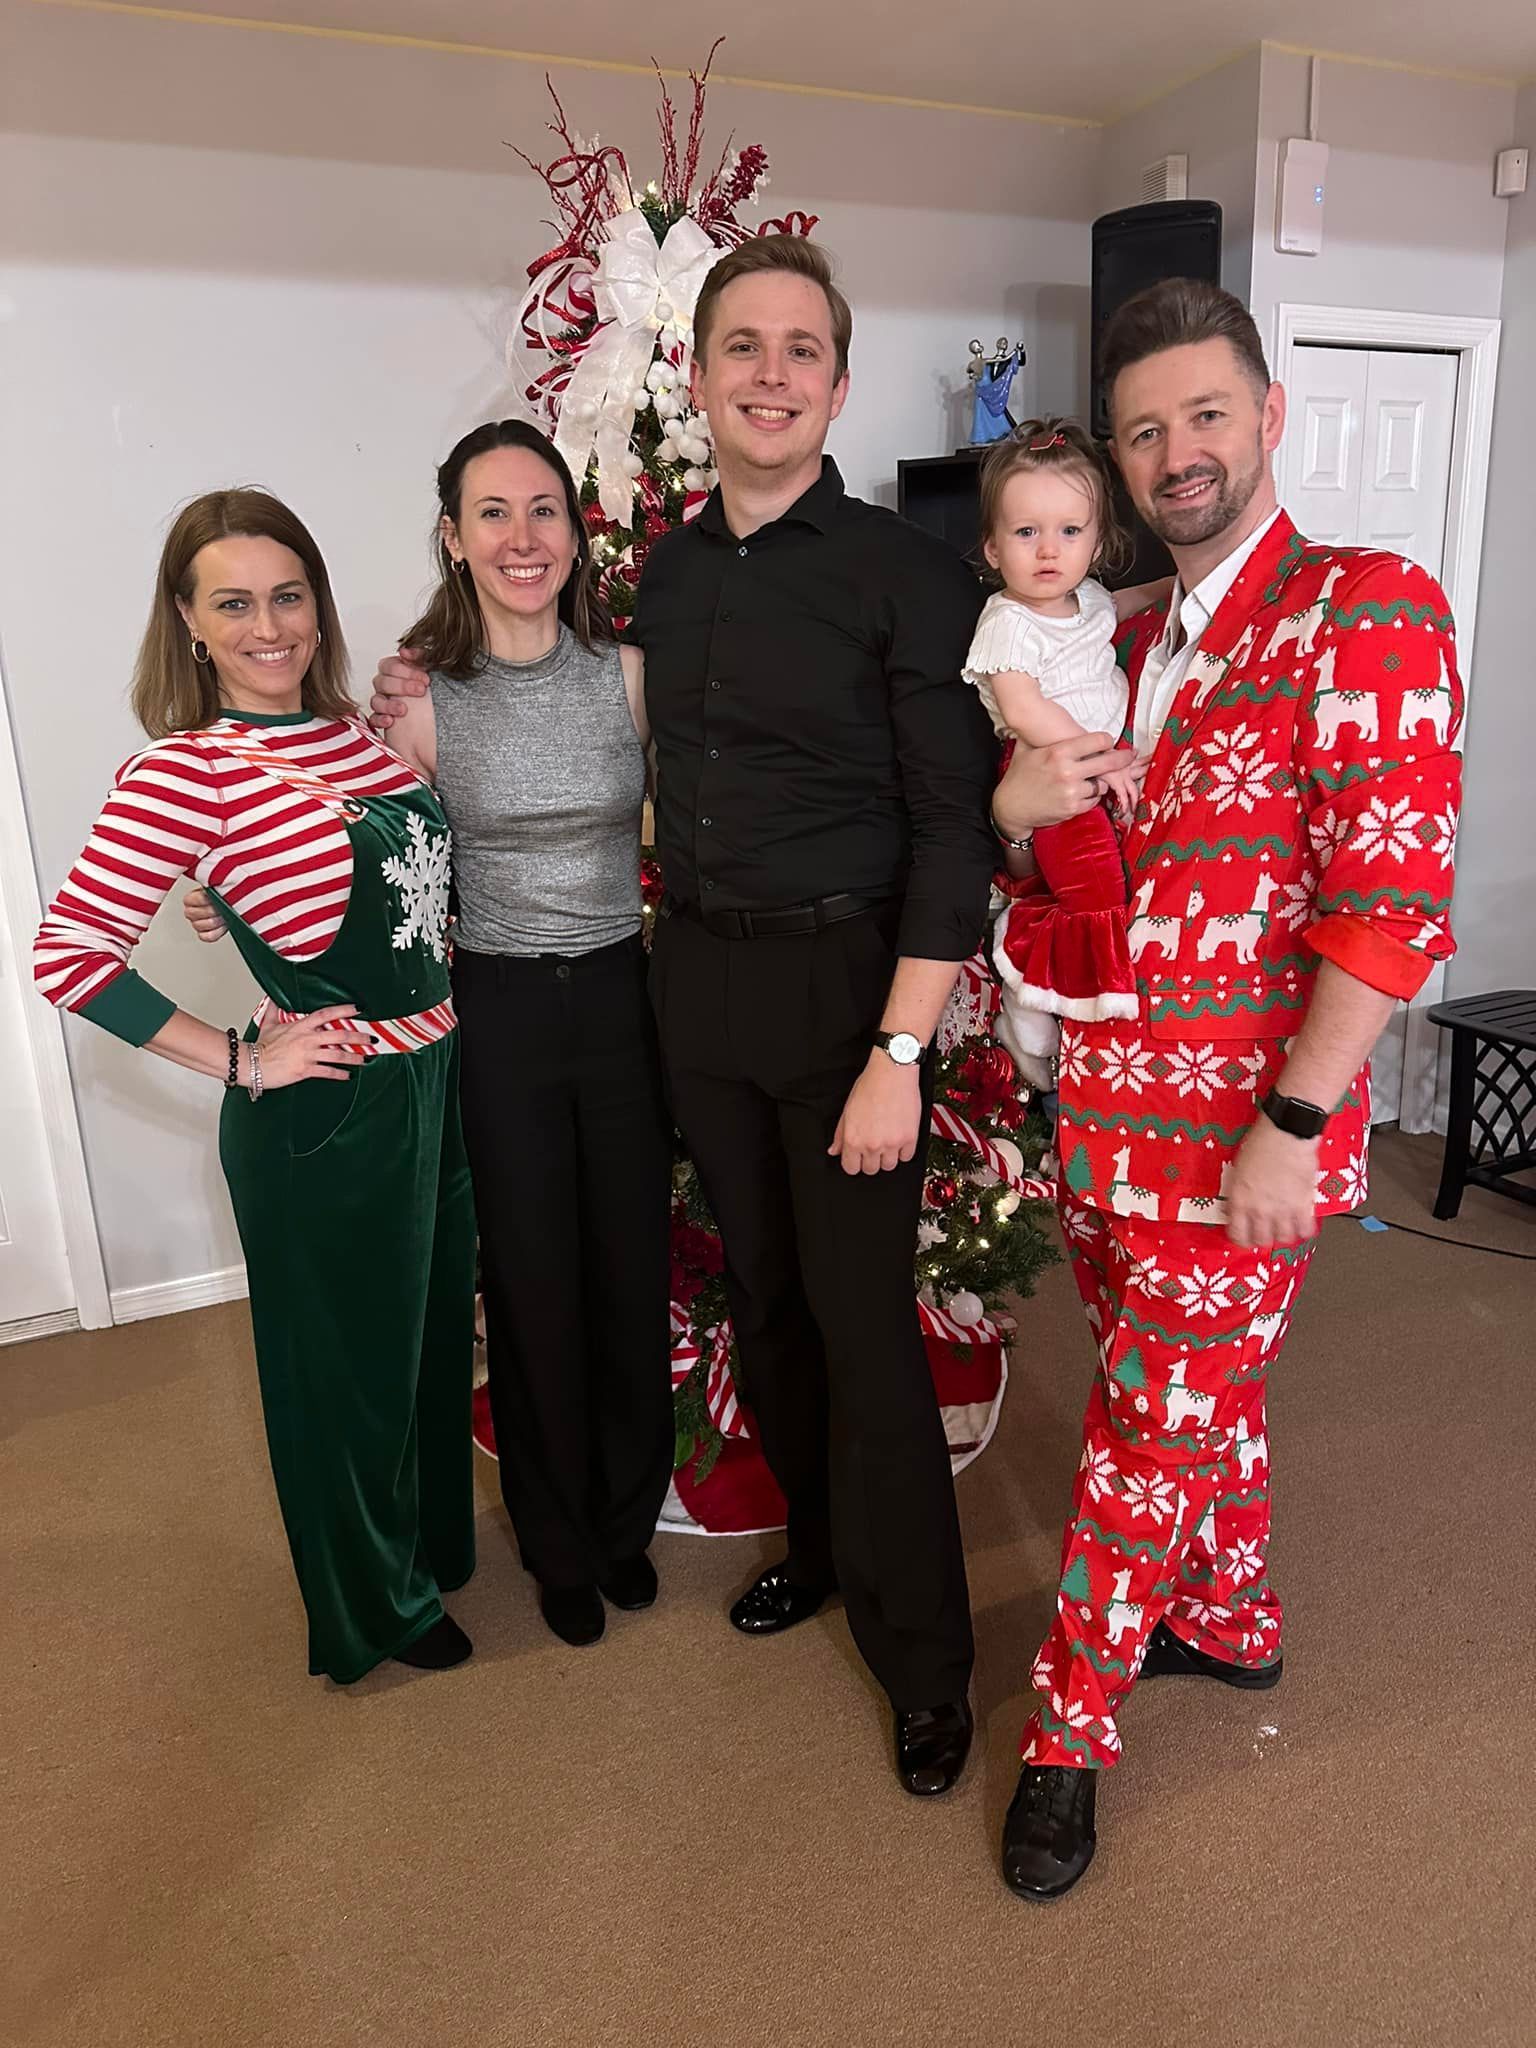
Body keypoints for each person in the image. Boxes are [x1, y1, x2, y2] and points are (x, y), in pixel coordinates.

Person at [374, 234, 999, 1795]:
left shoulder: (910, 574)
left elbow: (954, 828)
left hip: (852, 991)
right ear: (698, 378)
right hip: (695, 986)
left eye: (801, 350)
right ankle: (828, 1553)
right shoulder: (664, 570)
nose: (770, 374)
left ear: (836, 385)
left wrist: (903, 1052)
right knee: (773, 1307)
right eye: (742, 347)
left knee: (865, 1330)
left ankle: (929, 1666)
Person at [990, 279, 1464, 1898]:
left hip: (1240, 1147)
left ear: (1270, 415)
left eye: (1204, 413)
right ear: (1117, 464)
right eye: (1144, 430)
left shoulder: (1364, 605)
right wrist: (1015, 796)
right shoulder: (1116, 638)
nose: (1177, 451)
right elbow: (1059, 846)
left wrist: (1298, 1119)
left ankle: (1065, 1739)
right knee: (1197, 1399)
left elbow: (1389, 901)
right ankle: (1232, 1616)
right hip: (1110, 1125)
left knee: (1136, 1441)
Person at [199, 425, 675, 1651]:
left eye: (546, 511)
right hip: (499, 1009)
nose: (524, 538)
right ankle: (558, 1539)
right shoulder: (418, 704)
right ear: (454, 538)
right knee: (527, 1282)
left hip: (624, 998)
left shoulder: (626, 675)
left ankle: (625, 1523)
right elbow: (348, 841)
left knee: (626, 1266)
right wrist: (222, 890)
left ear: (578, 533)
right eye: (494, 514)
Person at [34, 490, 477, 1685]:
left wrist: (227, 897)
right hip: (329, 1117)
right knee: (345, 1374)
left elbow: (383, 893)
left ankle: (428, 1547)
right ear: (188, 620)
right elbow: (66, 954)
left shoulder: (351, 731)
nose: (267, 623)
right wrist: (241, 1055)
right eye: (233, 601)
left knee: (427, 1343)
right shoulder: (185, 768)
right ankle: (371, 1609)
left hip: (433, 1084)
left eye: (288, 595)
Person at [963, 416, 1163, 1086]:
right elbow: (1024, 713)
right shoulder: (1006, 623)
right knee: (1098, 892)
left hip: (1091, 773)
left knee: (1095, 893)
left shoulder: (1089, 601)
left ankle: (1049, 983)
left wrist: (1174, 588)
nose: (1048, 550)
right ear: (993, 549)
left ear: (1097, 540)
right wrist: (1104, 759)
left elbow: (1126, 603)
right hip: (1049, 778)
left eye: (1069, 531)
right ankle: (1027, 998)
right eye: (1026, 533)